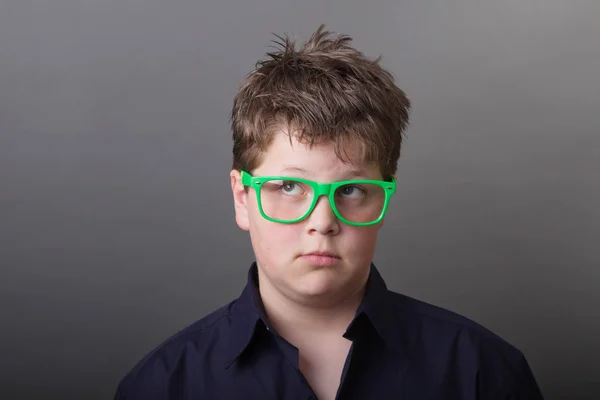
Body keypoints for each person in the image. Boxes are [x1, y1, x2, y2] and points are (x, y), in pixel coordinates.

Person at [114, 24, 544, 400]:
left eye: (352, 189)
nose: (323, 222)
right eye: (288, 186)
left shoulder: (485, 373)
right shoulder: (161, 385)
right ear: (242, 198)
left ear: (384, 199)